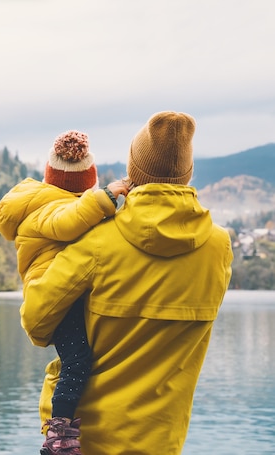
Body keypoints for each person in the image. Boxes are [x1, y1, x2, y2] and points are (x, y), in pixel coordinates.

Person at [21, 111, 234, 455]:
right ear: (187, 174)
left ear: (133, 171)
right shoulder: (218, 247)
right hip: (162, 440)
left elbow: (36, 321)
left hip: (84, 439)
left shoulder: (98, 242)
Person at [0, 130, 130, 455]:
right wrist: (106, 197)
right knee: (78, 360)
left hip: (60, 293)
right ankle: (59, 439)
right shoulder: (53, 210)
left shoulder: (37, 201)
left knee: (77, 359)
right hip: (56, 296)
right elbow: (69, 222)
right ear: (89, 181)